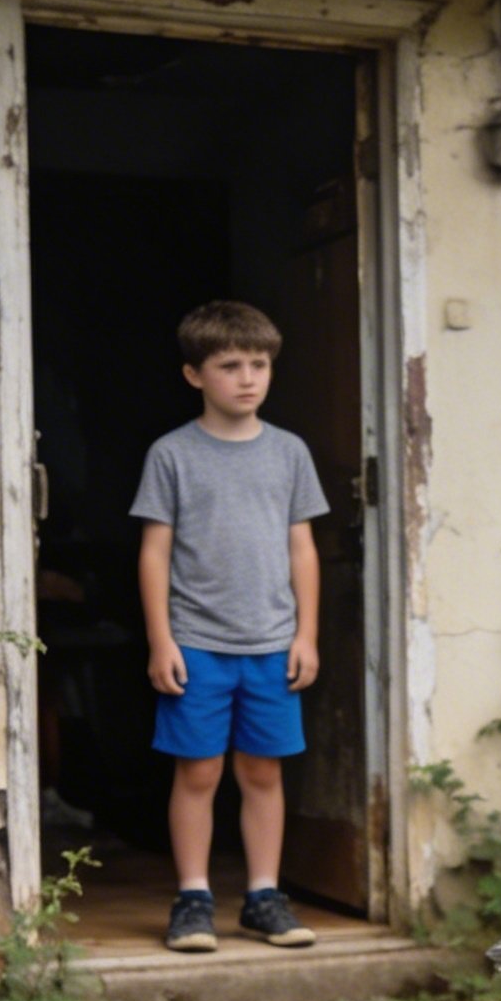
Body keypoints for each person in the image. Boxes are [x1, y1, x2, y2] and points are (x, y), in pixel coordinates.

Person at [131, 299, 328, 953]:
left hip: (271, 644)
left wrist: (306, 635)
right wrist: (162, 639)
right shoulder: (171, 454)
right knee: (198, 774)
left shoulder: (290, 452)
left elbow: (303, 548)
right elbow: (155, 551)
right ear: (195, 375)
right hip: (196, 645)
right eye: (230, 365)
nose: (248, 378)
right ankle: (193, 899)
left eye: (260, 364)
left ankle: (264, 897)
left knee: (264, 773)